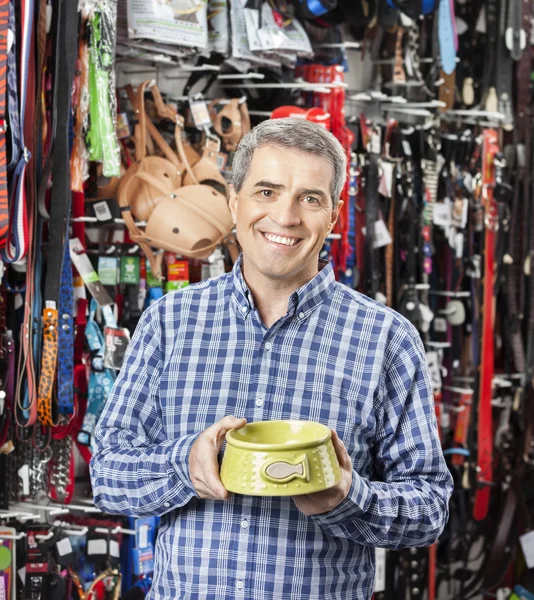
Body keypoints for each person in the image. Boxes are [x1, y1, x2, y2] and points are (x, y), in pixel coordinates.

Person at [90, 117, 453, 600]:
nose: (285, 217)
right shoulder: (169, 323)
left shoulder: (386, 340)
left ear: (334, 214)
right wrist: (185, 466)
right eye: (266, 191)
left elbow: (429, 507)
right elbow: (109, 473)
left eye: (310, 198)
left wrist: (349, 498)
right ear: (234, 199)